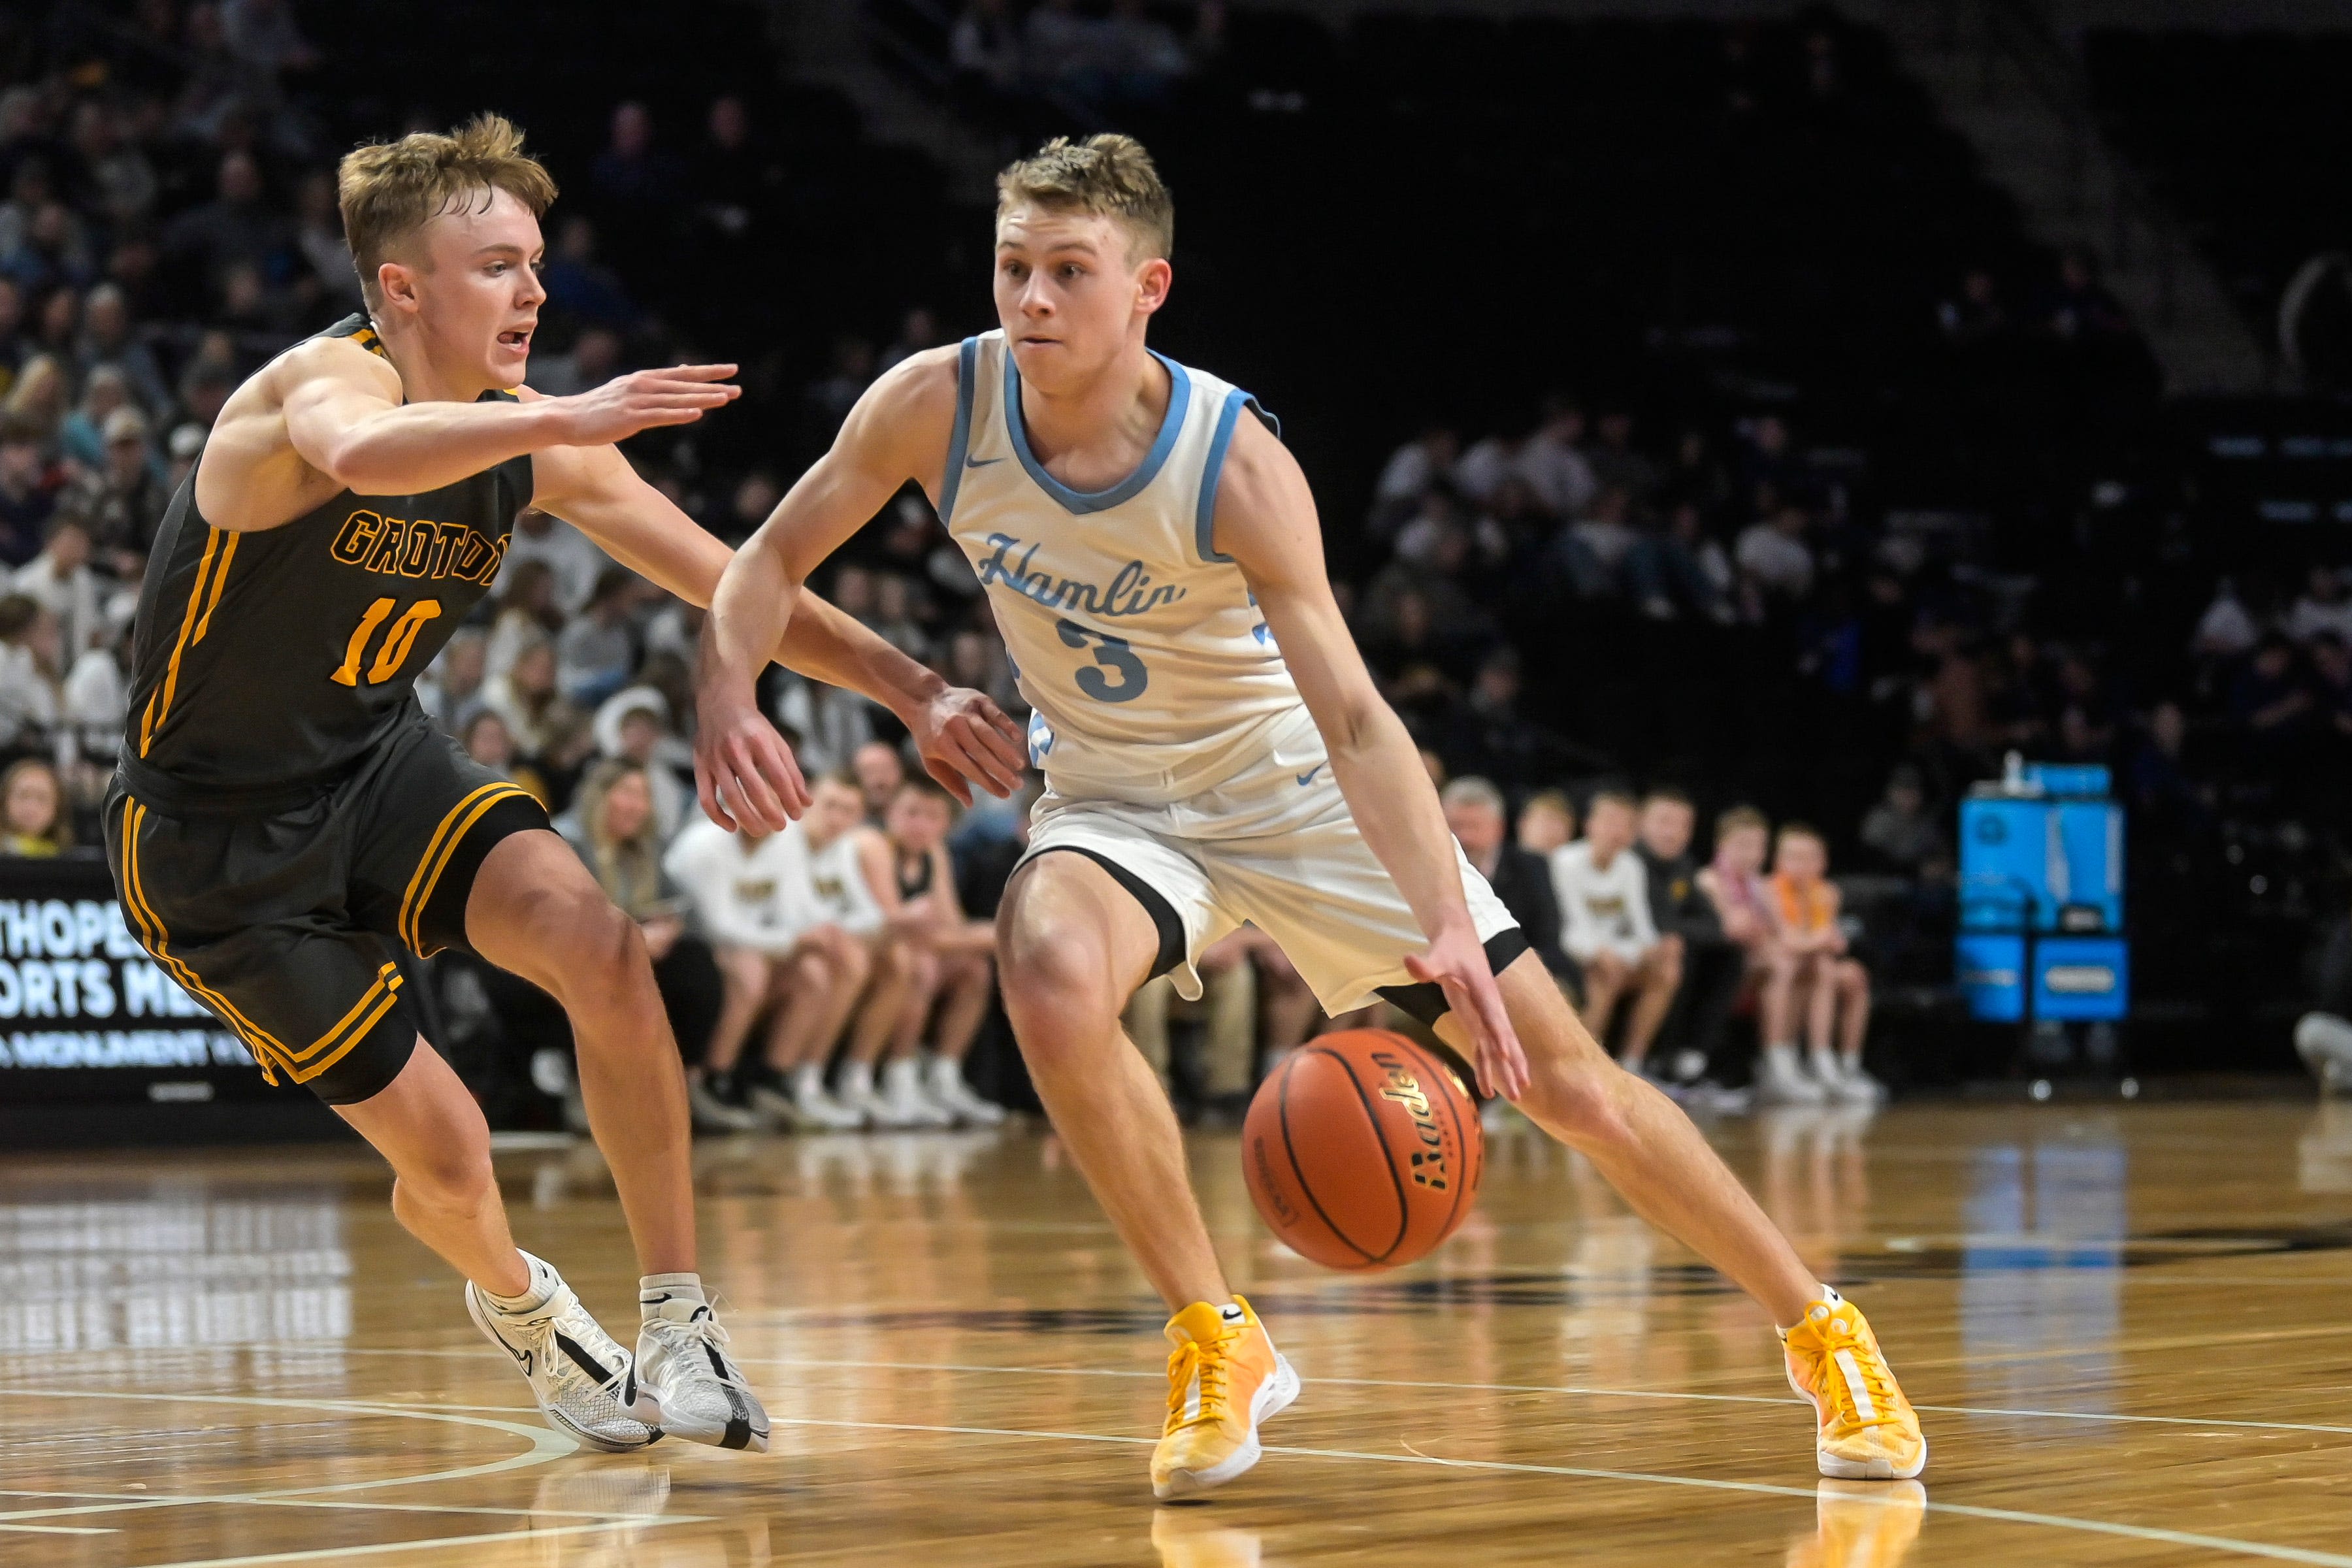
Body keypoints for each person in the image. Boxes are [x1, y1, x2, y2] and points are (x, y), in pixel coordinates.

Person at [694, 134, 1923, 1494]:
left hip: (1294, 788)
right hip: (1113, 796)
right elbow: (764, 564)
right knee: (1045, 972)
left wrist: (1449, 922)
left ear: (1148, 285)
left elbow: (1352, 713)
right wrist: (754, 688)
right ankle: (1217, 1337)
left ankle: (1825, 1331)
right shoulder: (934, 403)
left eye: (1068, 273)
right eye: (1012, 268)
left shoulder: (1231, 459)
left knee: (1570, 1085)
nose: (1031, 301)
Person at [103, 117, 1022, 1457]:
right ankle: (527, 1309)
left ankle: (680, 1313)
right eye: (496, 267)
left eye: (536, 263)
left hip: (372, 766)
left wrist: (912, 688)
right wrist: (566, 417)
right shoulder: (303, 398)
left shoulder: (546, 444)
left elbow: (732, 577)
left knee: (601, 943)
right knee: (454, 1159)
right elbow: (364, 455)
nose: (535, 292)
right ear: (402, 288)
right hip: (211, 842)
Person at [662, 807, 870, 1132]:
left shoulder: (782, 841)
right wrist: (791, 941)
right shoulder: (706, 844)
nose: (768, 810)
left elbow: (795, 909)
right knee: (751, 970)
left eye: (777, 803)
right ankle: (713, 1081)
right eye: (758, 799)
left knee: (815, 971)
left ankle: (773, 1080)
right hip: (692, 948)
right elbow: (718, 927)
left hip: (751, 945)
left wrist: (821, 935)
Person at [881, 776, 1008, 1124]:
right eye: (911, 813)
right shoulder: (877, 849)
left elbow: (950, 925)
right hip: (880, 955)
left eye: (932, 816)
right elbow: (898, 933)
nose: (919, 825)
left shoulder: (935, 854)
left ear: (947, 824)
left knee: (975, 969)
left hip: (912, 955)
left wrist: (980, 936)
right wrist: (994, 936)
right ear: (890, 812)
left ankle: (943, 1075)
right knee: (920, 964)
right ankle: (898, 1076)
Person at [1551, 790, 1683, 1075]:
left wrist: (1649, 950)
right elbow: (1571, 926)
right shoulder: (1565, 861)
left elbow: (1642, 928)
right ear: (1590, 825)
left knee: (1667, 969)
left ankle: (1633, 1065)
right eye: (1610, 821)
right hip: (1570, 954)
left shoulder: (1631, 866)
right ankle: (1580, 1070)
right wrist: (1603, 953)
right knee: (1605, 974)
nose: (1617, 831)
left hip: (1617, 955)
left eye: (1625, 824)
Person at [1635, 788, 1746, 1100]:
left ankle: (1692, 1059)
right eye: (1664, 822)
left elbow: (1713, 924)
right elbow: (1650, 923)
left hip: (1670, 951)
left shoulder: (1684, 867)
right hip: (1629, 953)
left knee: (1727, 954)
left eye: (1683, 825)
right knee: (1678, 952)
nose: (1673, 832)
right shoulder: (1630, 863)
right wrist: (1676, 934)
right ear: (1642, 823)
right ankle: (1653, 1059)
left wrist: (1679, 933)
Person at [1699, 805, 1815, 1105]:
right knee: (1783, 965)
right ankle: (1777, 1062)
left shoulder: (1760, 887)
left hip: (1758, 966)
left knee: (1803, 967)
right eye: (1744, 845)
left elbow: (1783, 934)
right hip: (1720, 973)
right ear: (1722, 846)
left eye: (1759, 846)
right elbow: (1735, 930)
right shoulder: (1710, 881)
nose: (1753, 854)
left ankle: (1791, 1061)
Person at [1769, 825, 1880, 1105]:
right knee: (1803, 968)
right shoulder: (1769, 890)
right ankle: (1782, 1062)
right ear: (1779, 861)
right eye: (1794, 857)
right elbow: (1789, 941)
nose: (1802, 866)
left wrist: (1824, 941)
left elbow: (1831, 942)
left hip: (1813, 965)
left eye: (1810, 858)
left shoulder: (1827, 893)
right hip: (1774, 970)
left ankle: (1844, 1064)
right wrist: (1823, 940)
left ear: (1823, 862)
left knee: (1852, 973)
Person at [0, 756, 68, 855]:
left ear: (57, 807)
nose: (31, 807)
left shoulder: (65, 856)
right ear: (4, 800)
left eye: (42, 798)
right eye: (23, 795)